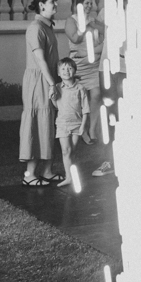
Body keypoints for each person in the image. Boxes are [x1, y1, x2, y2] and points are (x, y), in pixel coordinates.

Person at [19, 0, 62, 187]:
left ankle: (46, 170)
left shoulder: (47, 27)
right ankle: (29, 174)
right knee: (36, 124)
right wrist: (52, 82)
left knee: (48, 123)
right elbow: (40, 59)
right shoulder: (35, 28)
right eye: (53, 2)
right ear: (42, 5)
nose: (56, 5)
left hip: (48, 78)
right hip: (38, 82)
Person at [64, 0, 104, 144]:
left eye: (90, 3)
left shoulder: (94, 21)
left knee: (96, 95)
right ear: (79, 5)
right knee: (80, 98)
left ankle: (92, 129)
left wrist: (93, 25)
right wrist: (84, 25)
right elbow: (75, 38)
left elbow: (108, 33)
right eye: (86, 3)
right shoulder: (71, 20)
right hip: (79, 64)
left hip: (93, 64)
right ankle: (80, 129)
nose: (89, 6)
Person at [51, 58, 90, 187]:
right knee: (65, 151)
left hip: (77, 125)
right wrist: (52, 97)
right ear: (58, 73)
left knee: (71, 152)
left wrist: (83, 126)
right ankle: (69, 177)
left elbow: (85, 109)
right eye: (63, 69)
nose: (66, 71)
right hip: (62, 124)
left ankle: (73, 175)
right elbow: (56, 105)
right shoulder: (57, 87)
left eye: (69, 68)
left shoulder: (80, 88)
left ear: (74, 70)